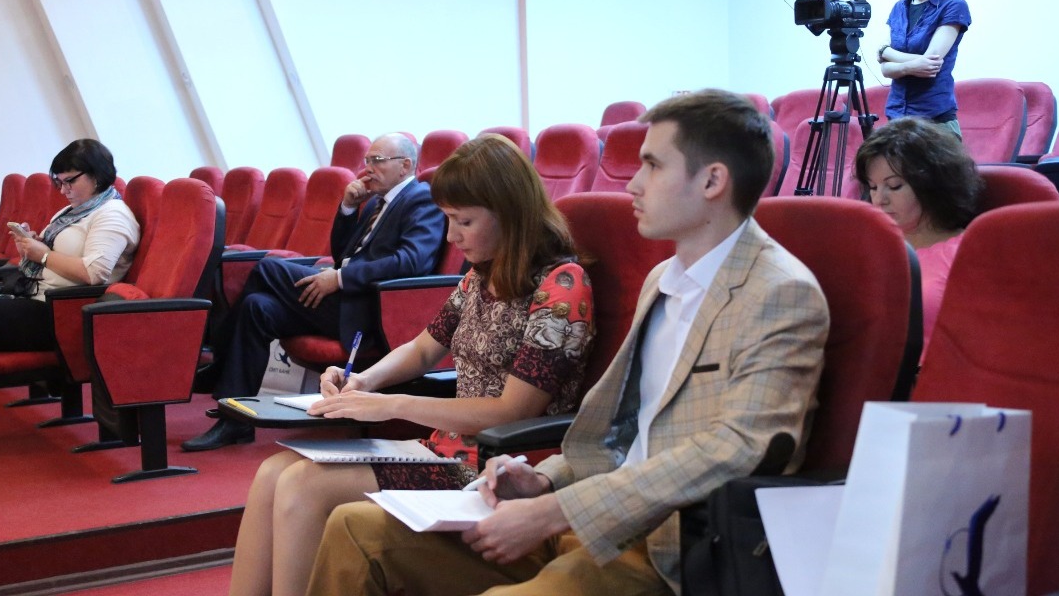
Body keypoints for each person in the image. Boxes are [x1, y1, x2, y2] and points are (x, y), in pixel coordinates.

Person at [306, 89, 831, 596]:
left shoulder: (779, 292)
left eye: (653, 166)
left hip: (660, 546)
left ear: (713, 180)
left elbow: (736, 450)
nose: (634, 184)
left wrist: (557, 509)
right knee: (355, 530)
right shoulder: (665, 278)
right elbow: (623, 426)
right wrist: (543, 481)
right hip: (579, 508)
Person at [227, 134, 594, 596]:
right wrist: (364, 380)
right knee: (271, 474)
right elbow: (423, 349)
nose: (451, 236)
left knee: (303, 487)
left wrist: (390, 405)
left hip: (496, 467)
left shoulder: (562, 287)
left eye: (464, 221)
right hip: (448, 448)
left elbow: (512, 412)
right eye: (448, 219)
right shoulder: (481, 274)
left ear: (510, 214)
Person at [182, 133, 447, 452]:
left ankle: (218, 363)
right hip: (344, 302)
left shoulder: (422, 199)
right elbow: (341, 255)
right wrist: (348, 208)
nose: (368, 168)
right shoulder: (376, 203)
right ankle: (235, 419)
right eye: (367, 160)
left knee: (268, 268)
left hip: (371, 311)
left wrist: (341, 279)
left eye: (378, 160)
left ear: (405, 165)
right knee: (257, 307)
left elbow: (411, 261)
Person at [0, 139, 139, 466]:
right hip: (38, 297)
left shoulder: (112, 215)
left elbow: (94, 273)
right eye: (59, 182)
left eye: (70, 180)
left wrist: (43, 255)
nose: (63, 189)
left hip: (65, 312)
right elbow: (54, 255)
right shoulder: (73, 211)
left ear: (97, 175)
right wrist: (31, 243)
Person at [855, 117, 980, 347]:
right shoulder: (865, 248)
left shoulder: (967, 253)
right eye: (873, 187)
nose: (879, 199)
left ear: (930, 185)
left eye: (894, 186)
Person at [877, 0, 971, 138]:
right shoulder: (899, 8)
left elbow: (930, 63)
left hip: (935, 120)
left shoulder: (953, 5)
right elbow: (885, 69)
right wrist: (905, 63)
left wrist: (886, 52)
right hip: (897, 117)